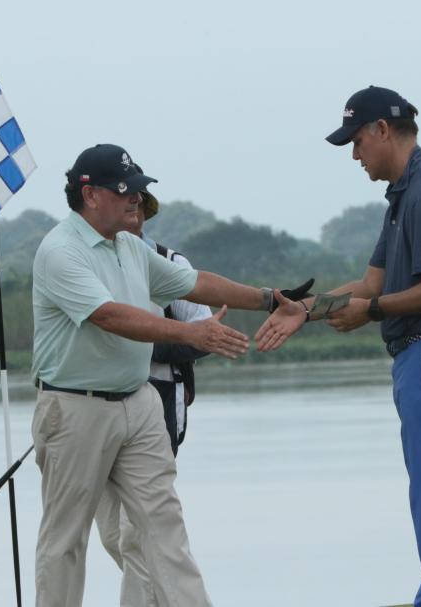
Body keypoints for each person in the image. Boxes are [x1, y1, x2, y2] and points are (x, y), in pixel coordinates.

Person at [31, 143, 309, 607]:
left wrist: (268, 297)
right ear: (90, 194)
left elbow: (194, 281)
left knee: (164, 528)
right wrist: (190, 333)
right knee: (66, 540)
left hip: (137, 404)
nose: (136, 199)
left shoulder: (130, 246)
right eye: (125, 191)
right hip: (74, 407)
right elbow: (109, 316)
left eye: (138, 189)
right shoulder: (60, 250)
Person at [257, 86, 421, 606]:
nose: (355, 155)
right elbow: (369, 285)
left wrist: (373, 313)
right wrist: (305, 311)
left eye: (357, 141)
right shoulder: (404, 195)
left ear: (383, 130)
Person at [91, 189, 209, 607]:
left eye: (141, 208)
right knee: (113, 535)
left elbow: (202, 336)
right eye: (128, 207)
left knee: (135, 533)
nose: (134, 216)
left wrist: (139, 343)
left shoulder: (170, 264)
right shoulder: (90, 264)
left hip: (159, 400)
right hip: (96, 404)